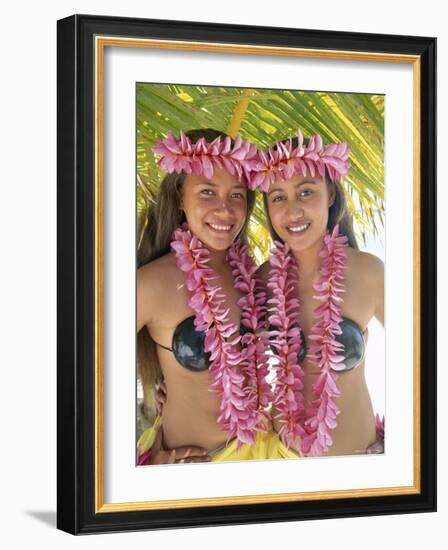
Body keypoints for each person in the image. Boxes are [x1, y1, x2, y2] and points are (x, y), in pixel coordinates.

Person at [136, 128, 295, 464]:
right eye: (208, 191)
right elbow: (81, 382)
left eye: (236, 195)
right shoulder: (150, 285)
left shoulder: (260, 278)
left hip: (264, 456)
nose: (225, 210)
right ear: (180, 196)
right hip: (193, 470)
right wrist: (135, 464)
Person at [250, 129, 385, 458]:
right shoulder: (262, 281)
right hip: (281, 461)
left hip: (358, 465)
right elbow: (226, 361)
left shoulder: (368, 272)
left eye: (306, 192)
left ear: (331, 197)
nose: (292, 211)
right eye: (278, 197)